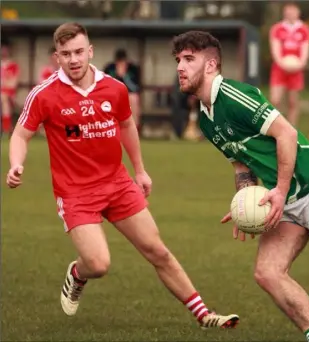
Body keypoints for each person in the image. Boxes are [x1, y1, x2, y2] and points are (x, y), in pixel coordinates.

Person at [6, 22, 239, 329]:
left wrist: (140, 171)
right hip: (75, 192)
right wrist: (15, 164)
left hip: (117, 184)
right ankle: (78, 274)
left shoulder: (114, 88)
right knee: (99, 265)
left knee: (157, 250)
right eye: (66, 54)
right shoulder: (44, 95)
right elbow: (21, 135)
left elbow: (127, 127)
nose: (73, 59)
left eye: (78, 52)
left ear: (90, 51)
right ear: (56, 58)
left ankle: (204, 315)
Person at [171, 30, 309, 342]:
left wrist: (281, 191)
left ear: (211, 64)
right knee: (268, 272)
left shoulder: (233, 95)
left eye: (189, 59)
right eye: (178, 60)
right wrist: (244, 199)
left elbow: (286, 134)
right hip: (279, 196)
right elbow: (240, 160)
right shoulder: (205, 117)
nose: (180, 66)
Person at [269, 2, 309, 126]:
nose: (290, 13)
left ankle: (292, 129)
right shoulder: (277, 29)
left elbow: (305, 51)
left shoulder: (304, 29)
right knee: (275, 100)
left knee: (293, 102)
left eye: (293, 11)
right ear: (284, 12)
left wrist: (299, 65)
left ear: (298, 12)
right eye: (287, 11)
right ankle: (275, 128)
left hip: (296, 70)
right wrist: (283, 64)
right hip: (279, 68)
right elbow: (275, 49)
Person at [103, 49, 142, 132]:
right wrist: (117, 75)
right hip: (113, 95)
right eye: (118, 62)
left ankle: (134, 129)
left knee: (134, 98)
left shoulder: (133, 69)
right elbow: (106, 85)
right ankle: (109, 128)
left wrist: (124, 76)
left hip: (128, 95)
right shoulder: (110, 68)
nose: (120, 64)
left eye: (123, 62)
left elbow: (135, 88)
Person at [1, 38, 20, 135]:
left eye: (5, 49)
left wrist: (4, 83)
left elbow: (13, 84)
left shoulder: (13, 65)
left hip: (9, 95)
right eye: (2, 48)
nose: (3, 51)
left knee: (3, 98)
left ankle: (6, 129)